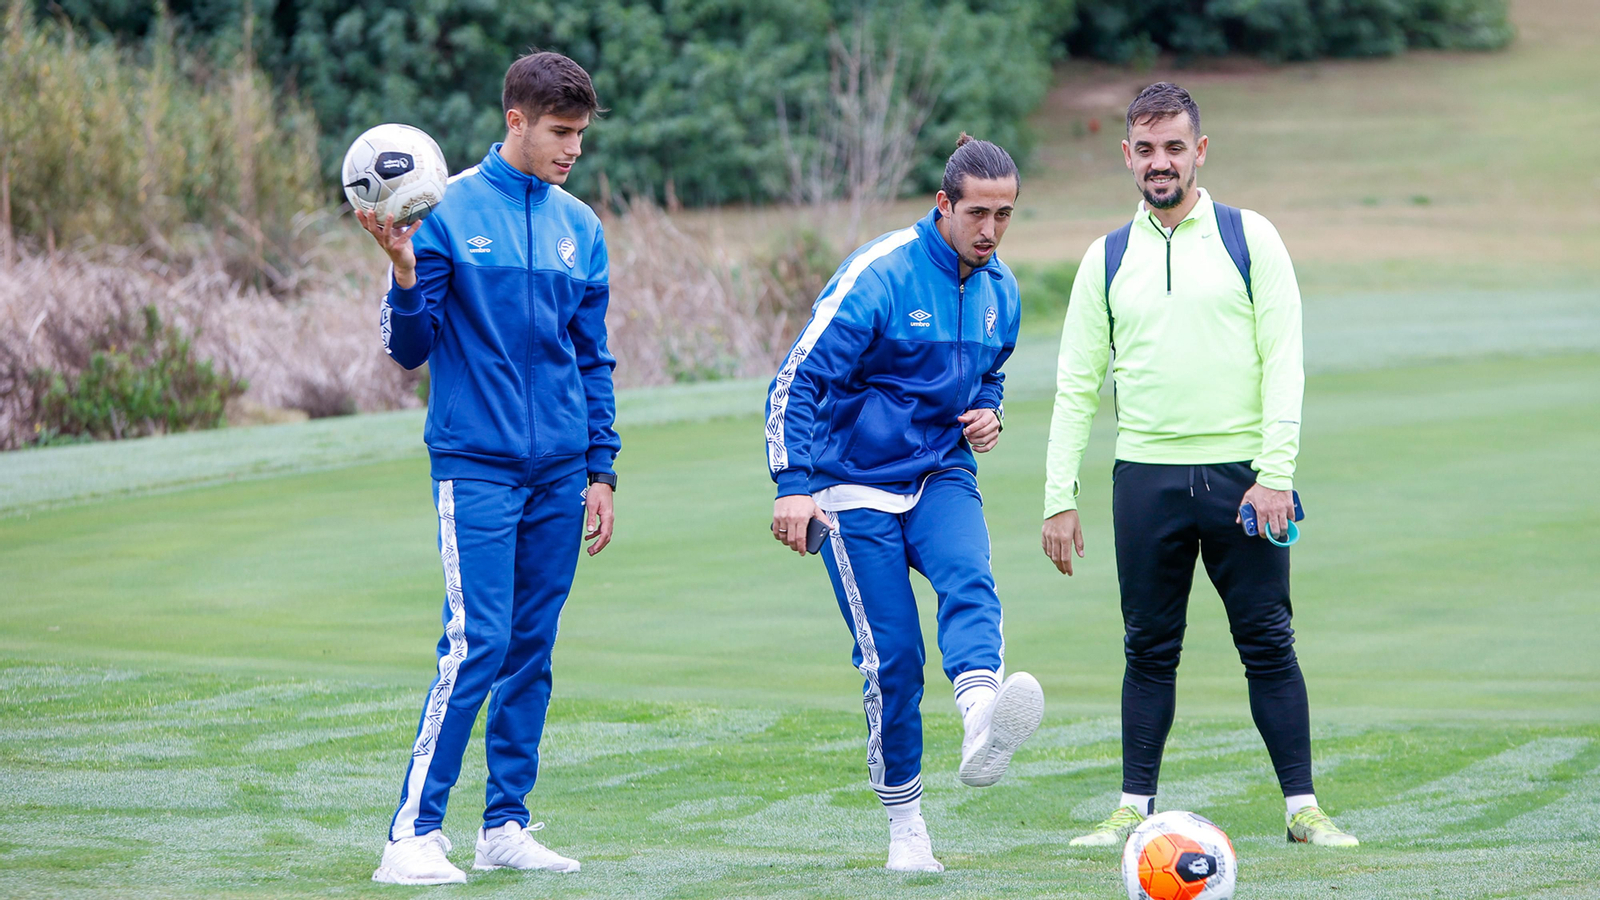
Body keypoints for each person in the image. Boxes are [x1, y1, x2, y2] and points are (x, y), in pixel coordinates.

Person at [1041, 82, 1358, 848]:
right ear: (1128, 156)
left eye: (1175, 147)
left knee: (1268, 643)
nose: (1161, 162)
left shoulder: (1251, 239)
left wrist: (1275, 472)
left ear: (1200, 152)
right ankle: (1132, 808)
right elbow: (1076, 383)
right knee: (1147, 650)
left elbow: (1284, 360)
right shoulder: (1106, 258)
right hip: (1143, 479)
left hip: (1243, 480)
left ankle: (1303, 809)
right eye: (1147, 149)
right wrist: (1058, 494)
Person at [358, 51, 619, 885]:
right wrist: (403, 274)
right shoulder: (444, 210)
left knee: (531, 648)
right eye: (560, 132)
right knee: (479, 642)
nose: (573, 148)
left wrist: (601, 470)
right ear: (516, 120)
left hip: (561, 474)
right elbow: (410, 349)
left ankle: (505, 824)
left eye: (580, 134)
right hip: (476, 463)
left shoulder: (582, 226)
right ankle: (410, 835)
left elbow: (593, 360)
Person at [766, 134, 1045, 874]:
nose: (990, 230)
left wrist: (989, 412)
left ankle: (982, 717)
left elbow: (990, 375)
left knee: (969, 577)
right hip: (850, 483)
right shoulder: (880, 274)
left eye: (1005, 215)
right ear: (943, 204)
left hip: (939, 470)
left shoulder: (1002, 291)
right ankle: (906, 826)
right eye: (978, 213)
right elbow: (797, 381)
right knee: (894, 661)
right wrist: (792, 485)